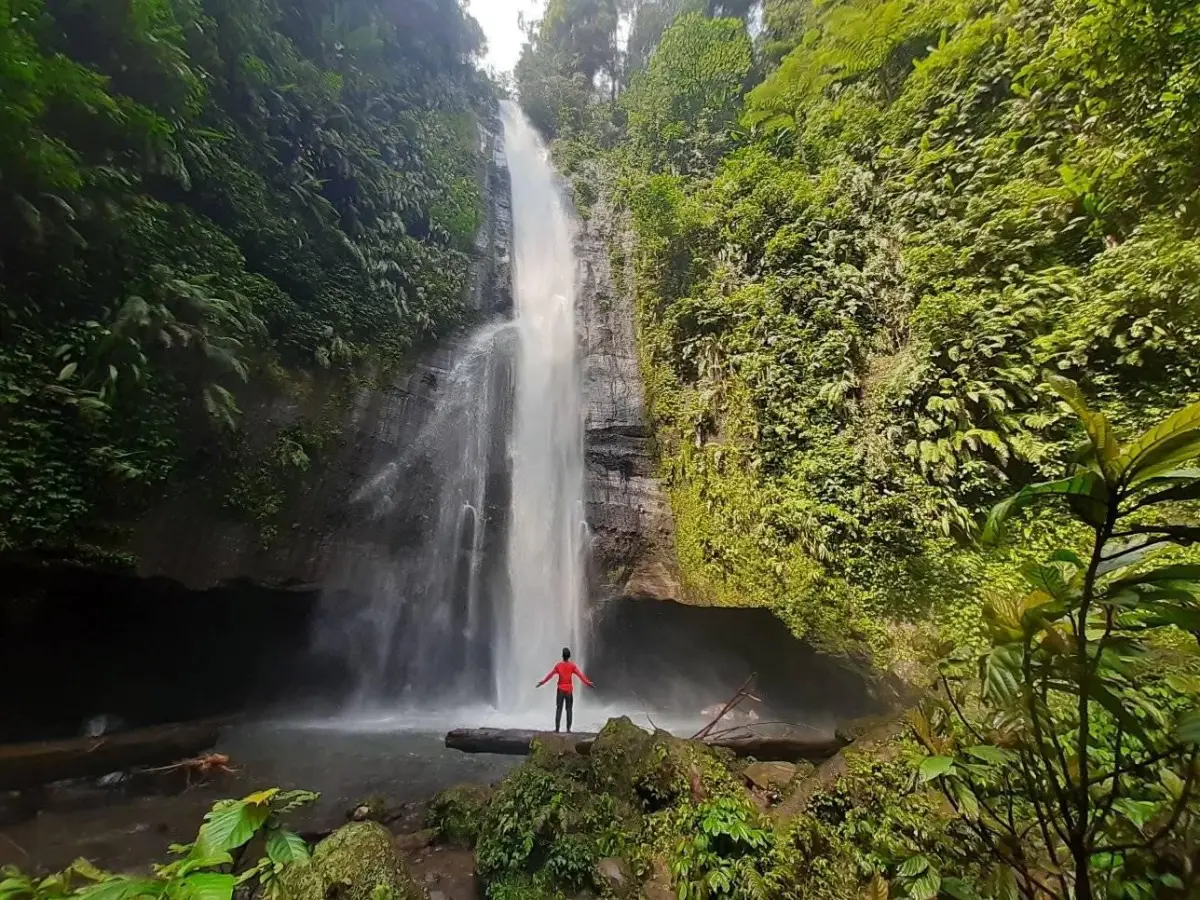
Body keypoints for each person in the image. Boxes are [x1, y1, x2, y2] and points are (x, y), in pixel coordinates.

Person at [536, 647, 593, 732]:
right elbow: (580, 675)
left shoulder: (558, 665)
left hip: (560, 690)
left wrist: (542, 682)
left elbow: (550, 675)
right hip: (569, 691)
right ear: (569, 656)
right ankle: (568, 729)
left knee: (559, 708)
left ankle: (557, 729)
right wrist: (587, 683)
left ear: (562, 656)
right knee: (569, 709)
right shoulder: (572, 666)